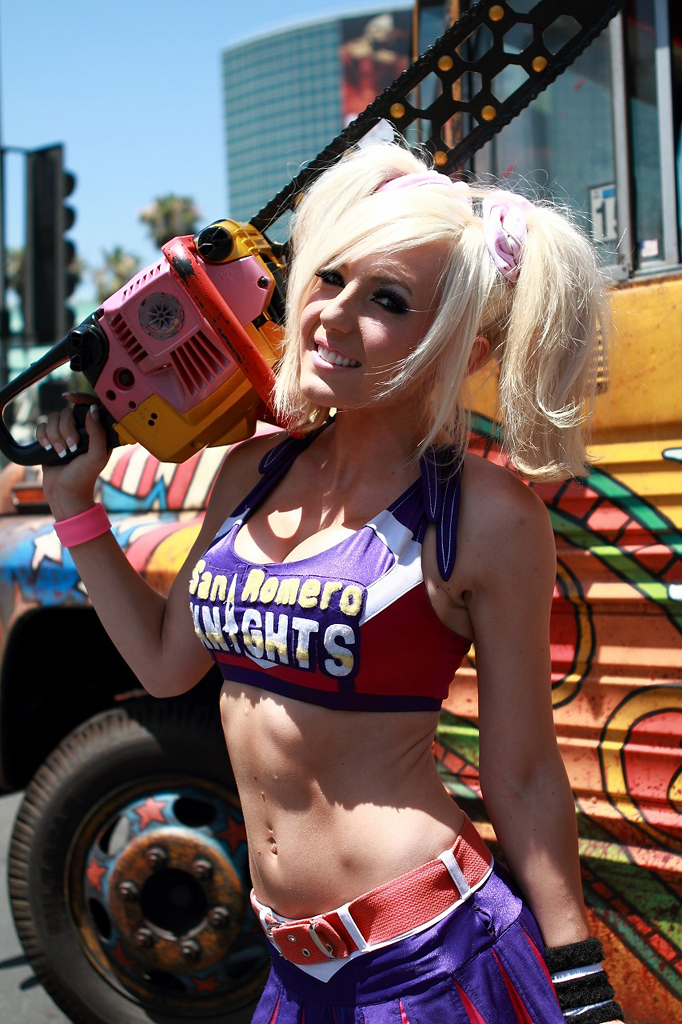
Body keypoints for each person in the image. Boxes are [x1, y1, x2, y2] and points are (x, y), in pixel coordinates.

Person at [36, 142, 624, 1024]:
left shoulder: (486, 515)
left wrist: (578, 974)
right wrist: (73, 506)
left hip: (429, 959)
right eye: (333, 278)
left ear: (462, 350)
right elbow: (165, 665)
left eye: (386, 300)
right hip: (293, 971)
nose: (333, 315)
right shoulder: (251, 471)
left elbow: (528, 774)